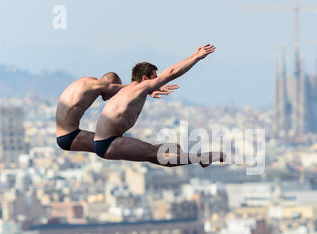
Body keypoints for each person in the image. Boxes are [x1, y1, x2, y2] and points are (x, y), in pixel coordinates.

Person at [93, 44, 225, 167]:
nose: (157, 82)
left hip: (108, 141)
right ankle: (201, 158)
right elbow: (171, 73)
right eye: (155, 78)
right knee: (156, 155)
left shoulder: (130, 90)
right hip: (107, 143)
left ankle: (198, 158)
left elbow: (167, 73)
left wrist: (193, 54)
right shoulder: (138, 89)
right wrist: (197, 57)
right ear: (145, 79)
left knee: (173, 148)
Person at [56, 72, 176, 153]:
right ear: (110, 83)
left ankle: (162, 150)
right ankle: (166, 153)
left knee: (120, 142)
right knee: (112, 143)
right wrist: (149, 88)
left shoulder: (85, 82)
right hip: (70, 137)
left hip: (66, 134)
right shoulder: (98, 84)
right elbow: (125, 88)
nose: (110, 98)